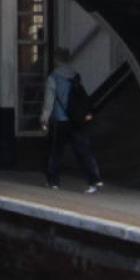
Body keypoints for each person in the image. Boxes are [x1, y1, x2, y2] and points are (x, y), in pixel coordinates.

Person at [45, 46, 102, 193]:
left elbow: (49, 101)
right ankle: (94, 180)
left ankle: (53, 182)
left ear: (56, 59)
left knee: (56, 152)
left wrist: (44, 118)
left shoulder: (53, 77)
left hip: (61, 120)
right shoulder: (75, 75)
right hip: (77, 119)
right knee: (83, 150)